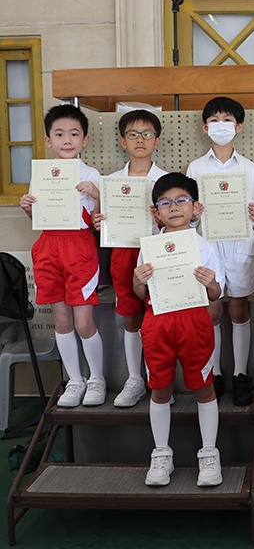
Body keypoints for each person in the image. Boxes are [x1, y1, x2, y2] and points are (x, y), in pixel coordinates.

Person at [132, 172, 224, 487]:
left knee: (204, 387)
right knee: (160, 389)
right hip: (158, 322)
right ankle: (161, 453)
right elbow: (140, 293)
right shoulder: (150, 247)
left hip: (194, 321)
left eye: (181, 200)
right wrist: (138, 280)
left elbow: (216, 294)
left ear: (195, 207)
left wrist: (211, 284)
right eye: (165, 203)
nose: (173, 207)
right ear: (156, 211)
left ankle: (209, 453)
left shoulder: (204, 246)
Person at [20, 104, 105, 408]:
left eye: (74, 134)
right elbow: (39, 219)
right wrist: (28, 209)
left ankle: (97, 379)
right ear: (48, 140)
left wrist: (97, 194)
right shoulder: (42, 175)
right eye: (59, 134)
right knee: (61, 319)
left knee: (83, 321)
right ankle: (74, 380)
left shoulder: (91, 174)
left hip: (79, 248)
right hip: (48, 247)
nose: (67, 140)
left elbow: (99, 221)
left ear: (85, 139)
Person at [186, 96, 254, 406]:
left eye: (227, 120)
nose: (221, 125)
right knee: (212, 310)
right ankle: (215, 372)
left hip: (239, 245)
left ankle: (240, 374)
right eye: (215, 120)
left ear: (238, 127)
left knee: (239, 310)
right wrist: (194, 216)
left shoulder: (249, 167)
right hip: (208, 246)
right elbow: (189, 214)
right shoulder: (196, 167)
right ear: (205, 127)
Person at [92, 109, 167, 407]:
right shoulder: (111, 182)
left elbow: (179, 222)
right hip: (124, 252)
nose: (140, 140)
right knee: (131, 317)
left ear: (157, 140)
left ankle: (160, 381)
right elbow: (103, 223)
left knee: (159, 316)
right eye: (133, 134)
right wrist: (100, 223)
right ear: (123, 141)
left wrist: (161, 220)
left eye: (147, 134)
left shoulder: (166, 180)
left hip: (157, 252)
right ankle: (135, 379)